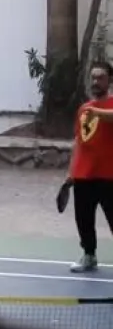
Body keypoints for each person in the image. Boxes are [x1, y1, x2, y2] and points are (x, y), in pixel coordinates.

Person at [67, 61, 113, 273]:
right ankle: (89, 255)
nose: (96, 81)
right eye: (93, 77)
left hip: (108, 175)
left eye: (100, 77)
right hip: (83, 175)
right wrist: (71, 172)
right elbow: (79, 140)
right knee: (83, 220)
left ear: (109, 80)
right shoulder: (83, 109)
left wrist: (96, 111)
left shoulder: (107, 106)